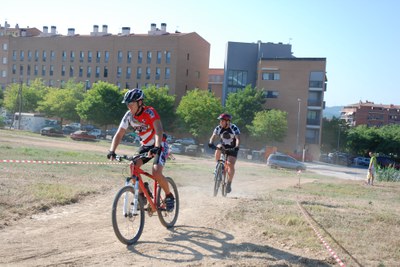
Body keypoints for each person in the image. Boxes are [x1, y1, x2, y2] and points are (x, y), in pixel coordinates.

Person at [107, 88, 174, 211]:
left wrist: (157, 147)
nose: (129, 106)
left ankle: (169, 196)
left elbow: (158, 130)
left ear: (140, 102)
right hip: (146, 146)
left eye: (131, 103)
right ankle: (142, 196)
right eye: (127, 104)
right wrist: (112, 150)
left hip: (160, 144)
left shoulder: (150, 112)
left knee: (156, 172)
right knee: (133, 166)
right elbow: (119, 133)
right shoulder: (128, 116)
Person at [208, 113, 240, 193]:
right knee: (218, 147)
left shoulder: (233, 127)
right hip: (223, 146)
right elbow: (213, 136)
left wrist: (236, 147)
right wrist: (210, 142)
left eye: (222, 121)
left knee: (230, 164)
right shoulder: (218, 128)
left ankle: (229, 183)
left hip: (232, 148)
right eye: (220, 121)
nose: (220, 122)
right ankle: (218, 167)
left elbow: (238, 139)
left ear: (227, 121)